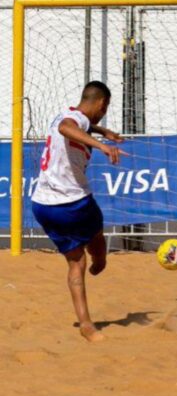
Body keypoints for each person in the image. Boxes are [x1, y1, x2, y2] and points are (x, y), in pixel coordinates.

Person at [30, 81, 126, 342]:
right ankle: (101, 260)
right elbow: (67, 129)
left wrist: (103, 130)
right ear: (101, 104)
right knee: (96, 230)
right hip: (72, 203)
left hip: (42, 204)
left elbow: (75, 124)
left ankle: (85, 324)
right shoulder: (70, 122)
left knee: (75, 262)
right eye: (103, 112)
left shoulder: (66, 113)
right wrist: (103, 146)